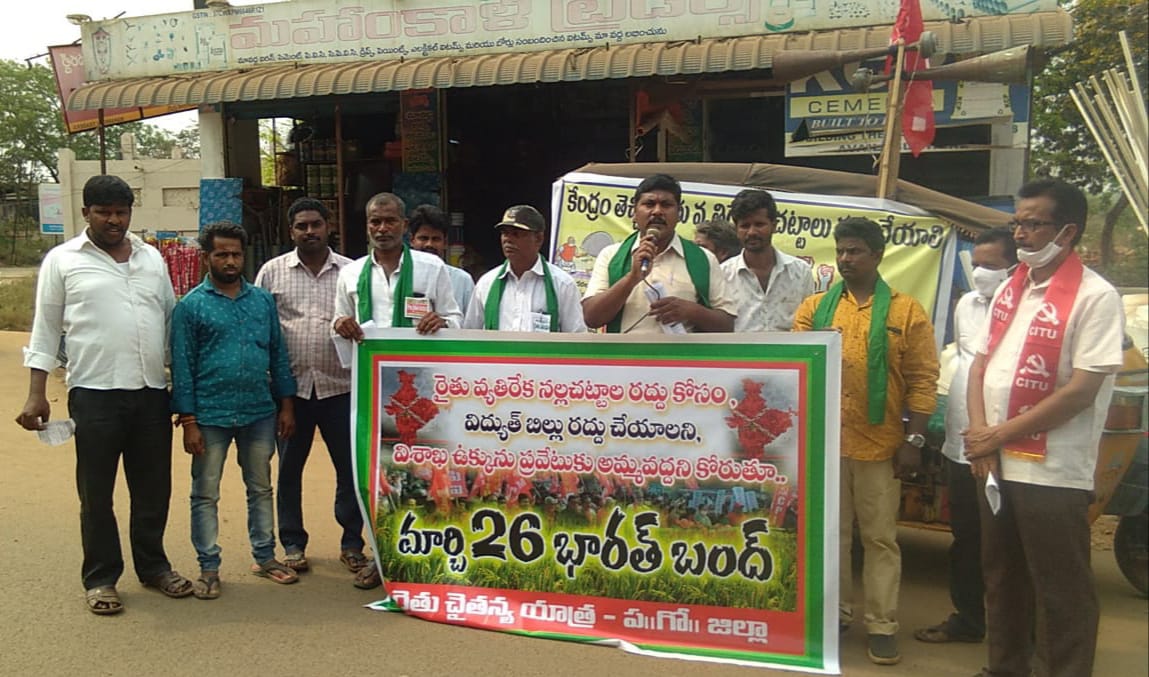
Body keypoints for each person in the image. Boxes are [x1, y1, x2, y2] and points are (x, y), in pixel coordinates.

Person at [964, 179, 1124, 677]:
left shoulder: (1096, 297)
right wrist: (979, 438)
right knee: (1001, 579)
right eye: (1018, 223)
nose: (1021, 234)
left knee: (1060, 589)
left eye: (1033, 223)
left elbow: (1081, 391)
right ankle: (1005, 669)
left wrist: (998, 434)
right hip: (995, 465)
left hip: (1052, 472)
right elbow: (979, 366)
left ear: (1068, 231)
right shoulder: (1011, 289)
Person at [15, 174, 193, 615]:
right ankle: (101, 579)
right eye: (104, 212)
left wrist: (183, 392)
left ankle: (154, 568)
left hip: (152, 393)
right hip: (94, 395)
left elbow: (172, 324)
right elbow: (45, 329)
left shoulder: (151, 259)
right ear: (86, 213)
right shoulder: (62, 261)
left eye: (121, 212)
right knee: (96, 493)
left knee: (153, 490)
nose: (114, 220)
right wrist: (36, 393)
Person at [793, 217, 938, 666]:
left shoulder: (905, 311)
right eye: (840, 251)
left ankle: (882, 625)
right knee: (830, 536)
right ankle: (835, 616)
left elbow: (923, 378)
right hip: (826, 441)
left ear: (877, 256)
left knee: (879, 539)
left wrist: (913, 437)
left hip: (881, 443)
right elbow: (799, 369)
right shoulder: (815, 309)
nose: (845, 259)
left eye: (854, 251)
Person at [332, 192, 463, 588]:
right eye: (375, 222)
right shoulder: (351, 274)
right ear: (367, 226)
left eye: (390, 221)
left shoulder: (430, 268)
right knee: (375, 474)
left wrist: (440, 322)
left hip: (424, 393)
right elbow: (340, 324)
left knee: (425, 471)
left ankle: (431, 550)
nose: (382, 229)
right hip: (373, 392)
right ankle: (381, 555)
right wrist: (341, 327)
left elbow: (457, 318)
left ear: (404, 225)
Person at [171, 221, 299, 599]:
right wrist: (188, 421)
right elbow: (182, 366)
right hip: (209, 416)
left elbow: (277, 354)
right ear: (206, 256)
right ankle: (209, 567)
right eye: (221, 253)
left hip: (259, 412)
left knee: (260, 487)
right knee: (205, 493)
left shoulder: (260, 300)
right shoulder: (190, 306)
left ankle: (265, 556)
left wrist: (286, 405)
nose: (230, 260)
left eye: (236, 254)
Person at [254, 197, 369, 579]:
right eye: (301, 226)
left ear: (328, 226)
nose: (309, 232)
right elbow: (263, 331)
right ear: (292, 232)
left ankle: (352, 543)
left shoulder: (353, 272)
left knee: (349, 470)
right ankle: (292, 543)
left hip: (342, 387)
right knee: (288, 470)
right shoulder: (271, 273)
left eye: (315, 224)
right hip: (292, 393)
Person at [914, 228, 1016, 645]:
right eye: (978, 265)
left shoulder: (1023, 306)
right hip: (962, 442)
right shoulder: (967, 306)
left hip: (1005, 443)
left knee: (1005, 543)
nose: (982, 275)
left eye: (992, 267)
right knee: (967, 536)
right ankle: (969, 619)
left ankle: (1015, 633)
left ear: (1014, 267)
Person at [582, 173, 736, 334]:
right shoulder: (611, 255)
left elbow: (726, 326)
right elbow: (591, 318)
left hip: (682, 358)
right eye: (649, 204)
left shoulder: (704, 259)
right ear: (634, 213)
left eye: (666, 205)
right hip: (625, 357)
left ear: (679, 214)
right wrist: (631, 278)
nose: (657, 211)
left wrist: (691, 311)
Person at [463, 205, 587, 333]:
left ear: (538, 239)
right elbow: (470, 335)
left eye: (516, 234)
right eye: (505, 233)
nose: (508, 239)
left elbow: (576, 338)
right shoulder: (486, 283)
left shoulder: (562, 284)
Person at [722, 189, 815, 332]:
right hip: (739, 354)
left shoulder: (801, 272)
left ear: (774, 225)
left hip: (790, 353)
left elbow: (810, 322)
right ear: (736, 229)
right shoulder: (723, 275)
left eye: (759, 224)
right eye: (745, 226)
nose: (752, 232)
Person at [409, 204, 475, 312]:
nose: (429, 244)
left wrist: (446, 322)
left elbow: (471, 325)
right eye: (423, 238)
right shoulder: (401, 275)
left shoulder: (462, 281)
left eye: (435, 239)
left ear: (445, 243)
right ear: (412, 240)